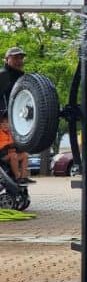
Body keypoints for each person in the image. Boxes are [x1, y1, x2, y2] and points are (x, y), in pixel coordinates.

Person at [0, 47, 34, 184]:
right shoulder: (3, 75)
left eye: (20, 58)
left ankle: (20, 177)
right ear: (6, 60)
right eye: (14, 58)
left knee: (21, 150)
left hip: (16, 120)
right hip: (5, 120)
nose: (18, 60)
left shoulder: (22, 78)